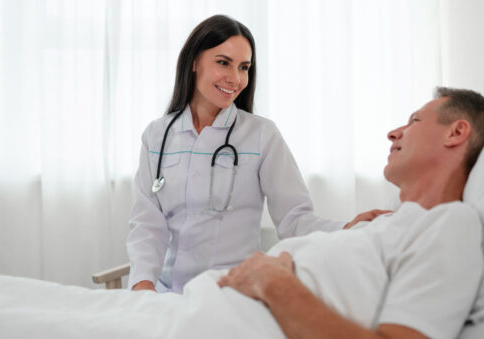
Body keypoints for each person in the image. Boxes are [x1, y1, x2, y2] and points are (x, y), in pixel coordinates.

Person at [218, 87, 484, 339]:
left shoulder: (449, 225)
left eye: (414, 121)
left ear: (456, 132)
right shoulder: (385, 225)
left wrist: (271, 281)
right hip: (200, 320)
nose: (393, 132)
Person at [128, 15, 353, 293]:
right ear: (194, 62)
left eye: (244, 67)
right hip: (166, 294)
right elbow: (147, 225)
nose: (235, 79)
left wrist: (351, 228)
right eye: (223, 62)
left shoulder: (262, 135)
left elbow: (295, 221)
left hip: (232, 295)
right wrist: (142, 285)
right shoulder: (157, 135)